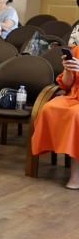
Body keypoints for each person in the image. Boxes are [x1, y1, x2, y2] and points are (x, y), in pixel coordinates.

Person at [31, 43, 79, 189]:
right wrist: (68, 70)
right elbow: (66, 85)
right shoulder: (77, 50)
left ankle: (76, 175)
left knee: (76, 115)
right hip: (74, 96)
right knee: (49, 108)